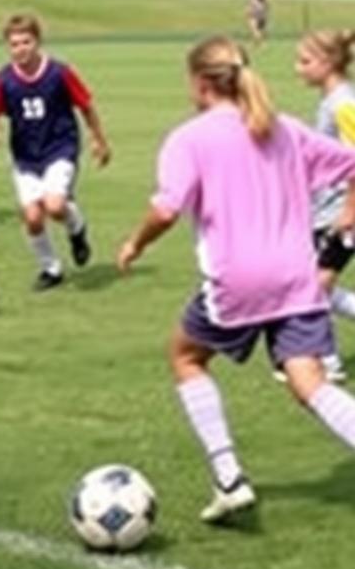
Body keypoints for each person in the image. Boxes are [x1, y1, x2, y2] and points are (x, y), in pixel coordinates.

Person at [117, 36, 355, 524]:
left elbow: (166, 208)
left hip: (238, 281)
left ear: (201, 83)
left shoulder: (191, 138)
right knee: (309, 381)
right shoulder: (286, 127)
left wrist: (135, 243)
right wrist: (349, 211)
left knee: (185, 356)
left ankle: (229, 478)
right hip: (298, 276)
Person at [0, 14, 111, 291]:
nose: (20, 49)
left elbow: (86, 106)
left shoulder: (58, 73)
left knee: (53, 206)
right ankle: (50, 268)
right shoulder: (4, 80)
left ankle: (77, 229)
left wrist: (99, 139)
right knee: (32, 217)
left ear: (37, 42)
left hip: (60, 148)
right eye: (14, 44)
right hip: (26, 157)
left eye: (26, 42)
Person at [294, 29, 355, 380]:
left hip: (340, 214)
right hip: (325, 211)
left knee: (314, 286)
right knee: (315, 285)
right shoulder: (332, 99)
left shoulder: (343, 103)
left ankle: (326, 362)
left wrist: (349, 211)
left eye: (305, 61)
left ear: (329, 63)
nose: (298, 69)